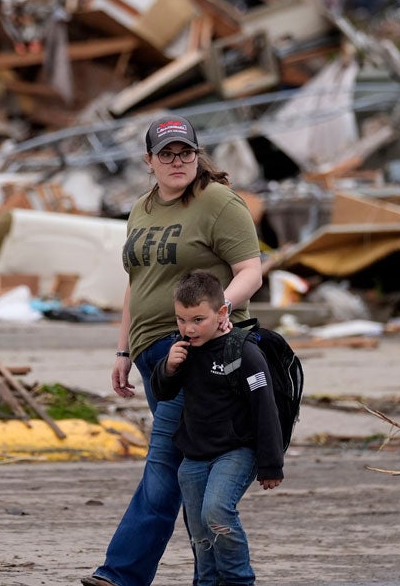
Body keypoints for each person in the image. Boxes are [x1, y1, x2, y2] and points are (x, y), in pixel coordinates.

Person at [83, 116, 263, 586]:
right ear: (149, 162)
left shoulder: (217, 202)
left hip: (196, 351)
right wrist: (123, 352)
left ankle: (121, 574)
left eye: (186, 152)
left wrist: (220, 309)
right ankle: (214, 578)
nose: (177, 161)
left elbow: (251, 271)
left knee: (165, 463)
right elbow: (136, 285)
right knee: (189, 471)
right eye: (167, 154)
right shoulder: (141, 208)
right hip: (153, 357)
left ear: (198, 156)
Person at [151, 270, 283, 586]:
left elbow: (265, 407)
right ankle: (207, 582)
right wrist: (168, 367)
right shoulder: (184, 348)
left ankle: (239, 580)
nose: (188, 328)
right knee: (199, 532)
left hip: (236, 451)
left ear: (222, 312)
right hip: (194, 457)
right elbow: (163, 393)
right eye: (181, 320)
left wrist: (270, 464)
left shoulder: (242, 352)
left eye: (198, 319)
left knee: (217, 514)